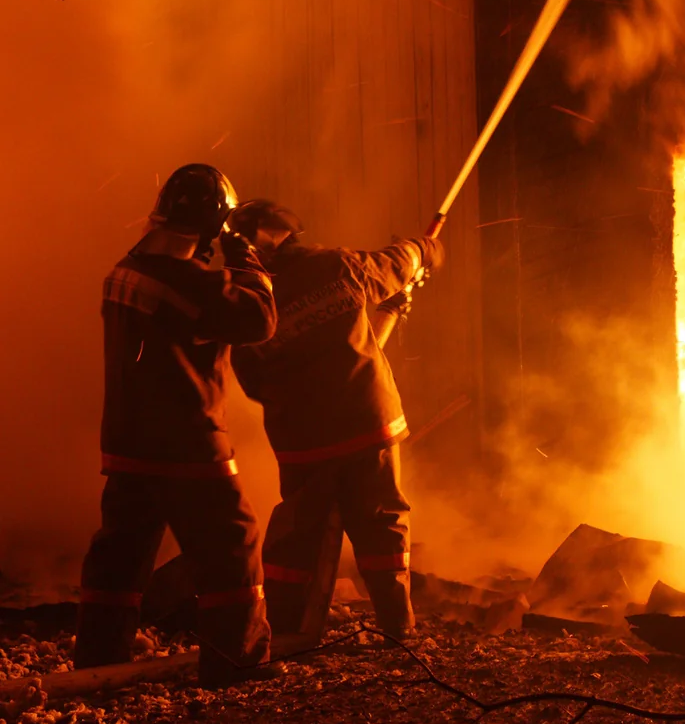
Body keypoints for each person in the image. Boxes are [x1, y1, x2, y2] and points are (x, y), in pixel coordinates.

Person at [76, 164, 279, 687]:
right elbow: (259, 319)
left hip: (129, 444)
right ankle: (236, 664)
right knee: (233, 547)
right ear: (213, 228)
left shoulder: (124, 269)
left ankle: (99, 665)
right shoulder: (190, 284)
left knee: (120, 559)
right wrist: (245, 255)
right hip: (188, 446)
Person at [226, 200, 444, 641]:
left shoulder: (245, 301)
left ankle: (286, 631)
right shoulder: (338, 266)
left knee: (296, 537)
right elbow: (397, 262)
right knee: (382, 524)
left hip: (303, 441)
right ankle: (398, 628)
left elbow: (251, 382)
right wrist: (425, 249)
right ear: (289, 232)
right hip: (368, 424)